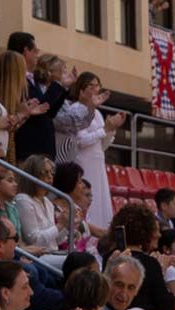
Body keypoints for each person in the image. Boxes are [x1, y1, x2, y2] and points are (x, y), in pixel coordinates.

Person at [54, 72, 125, 231]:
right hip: (83, 162)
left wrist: (111, 130)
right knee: (87, 200)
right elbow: (80, 141)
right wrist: (104, 130)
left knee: (99, 199)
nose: (94, 89)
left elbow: (101, 146)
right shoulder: (76, 109)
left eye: (97, 86)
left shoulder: (97, 113)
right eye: (90, 86)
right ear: (80, 89)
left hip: (97, 162)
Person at [9, 33, 70, 163]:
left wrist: (63, 87)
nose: (37, 54)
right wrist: (57, 84)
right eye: (35, 50)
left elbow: (49, 112)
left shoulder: (31, 79)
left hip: (43, 150)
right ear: (26, 51)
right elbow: (39, 106)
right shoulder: (16, 77)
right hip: (30, 150)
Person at [0, 50, 41, 164]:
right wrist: (22, 114)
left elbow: (12, 127)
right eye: (22, 69)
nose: (25, 74)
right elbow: (3, 125)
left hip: (8, 151)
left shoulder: (13, 94)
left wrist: (26, 114)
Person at [15, 154, 66, 253]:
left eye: (52, 172)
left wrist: (67, 225)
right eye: (45, 172)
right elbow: (34, 241)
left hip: (52, 253)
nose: (50, 177)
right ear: (33, 175)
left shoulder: (48, 202)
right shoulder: (24, 200)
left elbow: (56, 241)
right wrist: (60, 225)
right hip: (38, 256)